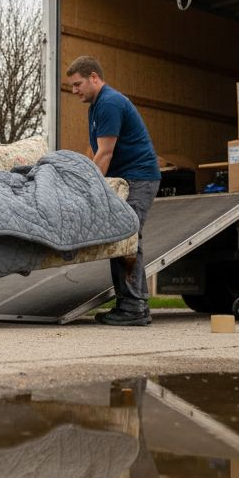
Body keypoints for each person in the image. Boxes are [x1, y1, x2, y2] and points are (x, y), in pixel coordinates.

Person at [65, 56, 161, 326]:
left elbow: (105, 154)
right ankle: (127, 305)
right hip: (125, 178)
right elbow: (95, 150)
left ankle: (136, 308)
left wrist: (89, 190)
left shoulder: (109, 102)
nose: (74, 91)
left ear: (94, 77)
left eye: (77, 84)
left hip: (139, 179)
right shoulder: (96, 105)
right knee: (120, 238)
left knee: (128, 237)